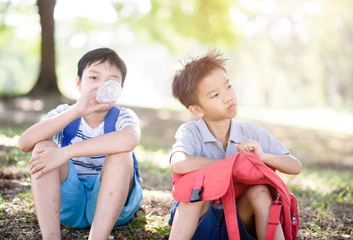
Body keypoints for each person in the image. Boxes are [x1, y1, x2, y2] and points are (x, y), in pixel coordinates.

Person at [168, 49, 302, 240]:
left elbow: (295, 166)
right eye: (215, 95)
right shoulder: (190, 131)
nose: (228, 97)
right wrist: (232, 163)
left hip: (241, 220)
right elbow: (179, 163)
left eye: (229, 86)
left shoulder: (250, 132)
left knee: (261, 193)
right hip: (201, 221)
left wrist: (263, 157)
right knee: (193, 196)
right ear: (197, 110)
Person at [18, 48, 143, 240]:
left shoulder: (123, 116)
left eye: (111, 80)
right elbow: (24, 143)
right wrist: (77, 110)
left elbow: (129, 140)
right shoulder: (64, 113)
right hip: (68, 205)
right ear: (79, 82)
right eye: (93, 77)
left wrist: (65, 152)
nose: (101, 85)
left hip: (110, 209)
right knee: (43, 148)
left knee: (121, 153)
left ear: (120, 89)